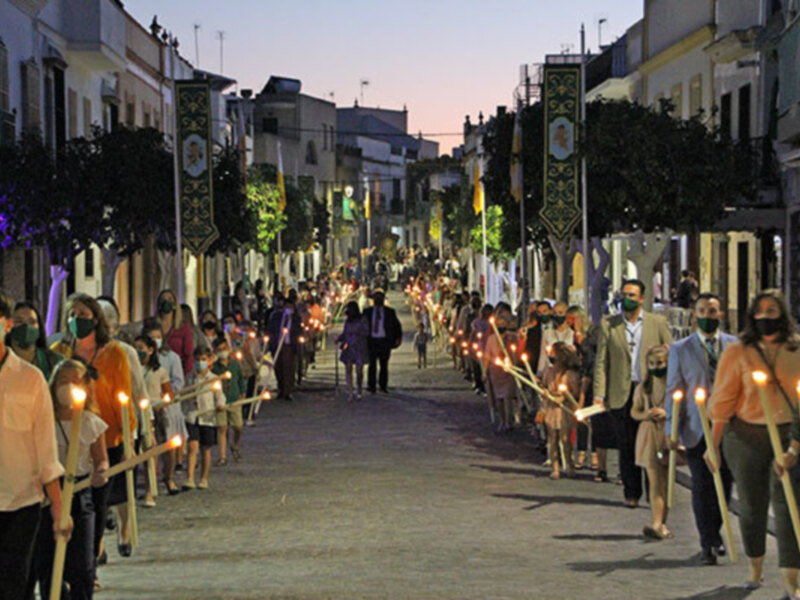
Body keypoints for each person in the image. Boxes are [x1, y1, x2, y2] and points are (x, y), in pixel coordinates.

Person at [708, 289, 800, 595]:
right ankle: (755, 566)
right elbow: (723, 401)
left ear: (782, 314)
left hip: (788, 434)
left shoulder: (796, 349)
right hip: (745, 437)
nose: (764, 317)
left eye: (771, 311)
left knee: (788, 506)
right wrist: (714, 446)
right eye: (759, 311)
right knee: (750, 505)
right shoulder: (737, 352)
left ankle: (791, 579)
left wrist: (794, 447)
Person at [52, 293, 134, 565]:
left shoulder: (113, 353)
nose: (77, 320)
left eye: (84, 315)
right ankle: (72, 562)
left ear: (96, 319)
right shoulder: (59, 353)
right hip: (66, 440)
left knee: (98, 504)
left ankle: (91, 556)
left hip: (105, 437)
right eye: (73, 315)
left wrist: (128, 438)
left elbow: (123, 396)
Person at [0, 290, 71, 600]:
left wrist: (58, 509)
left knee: (15, 584)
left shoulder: (30, 379)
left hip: (20, 502)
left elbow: (46, 450)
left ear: (5, 326)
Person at [666, 292, 736, 565]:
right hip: (697, 426)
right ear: (695, 316)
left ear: (721, 314)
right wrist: (672, 431)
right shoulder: (681, 349)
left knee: (724, 484)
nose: (709, 316)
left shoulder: (734, 345)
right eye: (703, 311)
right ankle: (708, 541)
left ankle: (716, 531)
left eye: (713, 311)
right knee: (703, 485)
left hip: (730, 427)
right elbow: (674, 390)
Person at [593, 279, 673, 508]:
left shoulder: (656, 323)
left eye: (631, 295)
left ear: (641, 298)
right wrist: (599, 394)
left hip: (649, 391)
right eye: (623, 294)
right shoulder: (610, 324)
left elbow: (671, 353)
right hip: (621, 392)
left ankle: (655, 493)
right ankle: (632, 493)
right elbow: (602, 361)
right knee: (626, 445)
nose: (626, 298)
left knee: (651, 444)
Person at [34, 359, 108, 600]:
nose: (68, 387)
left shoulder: (90, 422)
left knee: (82, 565)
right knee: (48, 565)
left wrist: (101, 472)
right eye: (63, 382)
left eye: (75, 382)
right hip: (47, 497)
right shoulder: (43, 421)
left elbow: (101, 460)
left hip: (80, 494)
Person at [631, 345, 671, 540]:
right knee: (655, 481)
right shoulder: (643, 387)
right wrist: (645, 414)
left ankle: (663, 522)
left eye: (660, 363)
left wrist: (667, 414)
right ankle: (657, 522)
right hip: (648, 434)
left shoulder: (674, 385)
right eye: (652, 364)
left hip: (667, 434)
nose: (656, 367)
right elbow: (634, 411)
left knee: (665, 482)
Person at [141, 322, 186, 494]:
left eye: (158, 337)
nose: (155, 341)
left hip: (162, 409)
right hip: (144, 411)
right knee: (148, 447)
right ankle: (149, 485)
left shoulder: (168, 361)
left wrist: (164, 402)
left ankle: (169, 478)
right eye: (151, 338)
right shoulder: (137, 364)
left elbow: (174, 386)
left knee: (168, 445)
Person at [134, 334, 174, 505]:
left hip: (153, 414)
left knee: (151, 448)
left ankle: (151, 489)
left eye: (141, 348)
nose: (138, 352)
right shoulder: (132, 369)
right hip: (134, 413)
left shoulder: (159, 371)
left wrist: (160, 403)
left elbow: (168, 394)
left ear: (150, 350)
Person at [183, 347, 225, 489]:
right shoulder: (190, 377)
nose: (200, 363)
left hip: (207, 417)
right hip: (192, 416)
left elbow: (219, 396)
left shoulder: (213, 379)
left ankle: (204, 478)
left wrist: (220, 405)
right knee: (192, 447)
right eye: (197, 360)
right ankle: (189, 478)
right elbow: (184, 396)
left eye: (203, 360)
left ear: (209, 361)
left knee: (205, 449)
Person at [541, 342, 581, 479]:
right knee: (552, 438)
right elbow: (544, 387)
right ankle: (555, 467)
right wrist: (546, 393)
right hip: (552, 409)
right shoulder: (549, 372)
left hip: (565, 411)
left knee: (565, 439)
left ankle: (569, 464)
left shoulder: (570, 375)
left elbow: (574, 393)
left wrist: (563, 397)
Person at [484, 303, 518, 432]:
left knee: (508, 397)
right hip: (496, 372)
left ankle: (510, 420)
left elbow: (516, 352)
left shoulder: (512, 337)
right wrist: (484, 371)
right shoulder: (491, 339)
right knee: (499, 398)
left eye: (503, 325)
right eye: (498, 325)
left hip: (509, 371)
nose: (501, 327)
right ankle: (502, 420)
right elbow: (487, 356)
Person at [8, 301, 64, 379]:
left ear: (39, 327)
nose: (26, 326)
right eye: (19, 321)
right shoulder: (3, 358)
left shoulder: (55, 361)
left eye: (32, 322)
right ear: (8, 326)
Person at [211, 337, 246, 465]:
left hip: (234, 399)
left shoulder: (235, 364)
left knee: (238, 426)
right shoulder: (214, 367)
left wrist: (243, 392)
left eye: (224, 349)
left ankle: (235, 445)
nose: (222, 352)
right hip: (220, 402)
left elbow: (241, 379)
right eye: (219, 350)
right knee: (222, 428)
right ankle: (222, 456)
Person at [363, 289, 402, 394]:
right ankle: (371, 386)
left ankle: (383, 385)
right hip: (372, 341)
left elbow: (396, 326)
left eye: (380, 298)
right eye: (376, 298)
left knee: (384, 365)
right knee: (372, 365)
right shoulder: (368, 312)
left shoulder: (389, 312)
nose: (378, 300)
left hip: (384, 341)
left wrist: (398, 338)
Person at [267, 293, 302, 401]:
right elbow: (270, 328)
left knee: (288, 368)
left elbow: (298, 332)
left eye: (290, 307)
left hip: (289, 346)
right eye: (287, 307)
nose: (288, 309)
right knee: (278, 368)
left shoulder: (296, 319)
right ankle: (281, 388)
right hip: (278, 345)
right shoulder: (276, 317)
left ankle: (288, 391)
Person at [156, 289, 194, 377]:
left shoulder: (183, 327)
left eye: (170, 299)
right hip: (156, 368)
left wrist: (187, 373)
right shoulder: (151, 324)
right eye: (163, 299)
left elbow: (188, 353)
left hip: (177, 370)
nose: (166, 302)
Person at [336, 301, 369, 401]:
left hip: (359, 346)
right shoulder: (348, 321)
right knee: (348, 368)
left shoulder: (362, 319)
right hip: (349, 345)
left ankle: (359, 389)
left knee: (359, 370)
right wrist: (339, 338)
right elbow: (345, 333)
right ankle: (351, 391)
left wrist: (358, 332)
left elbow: (366, 331)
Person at [469, 304, 493, 397]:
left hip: (490, 347)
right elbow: (473, 334)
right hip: (481, 348)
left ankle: (488, 388)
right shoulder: (477, 322)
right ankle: (481, 386)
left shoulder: (492, 323)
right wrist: (470, 344)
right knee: (480, 368)